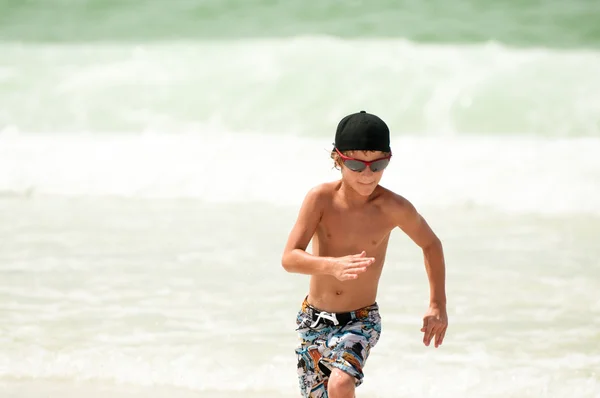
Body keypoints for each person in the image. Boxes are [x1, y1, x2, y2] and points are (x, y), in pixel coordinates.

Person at [281, 111, 448, 398]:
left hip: (360, 319)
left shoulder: (393, 207)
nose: (368, 175)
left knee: (341, 384)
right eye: (357, 165)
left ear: (388, 159)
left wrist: (437, 304)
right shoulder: (320, 199)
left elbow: (431, 244)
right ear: (338, 159)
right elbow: (290, 258)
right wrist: (330, 266)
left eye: (378, 164)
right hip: (313, 320)